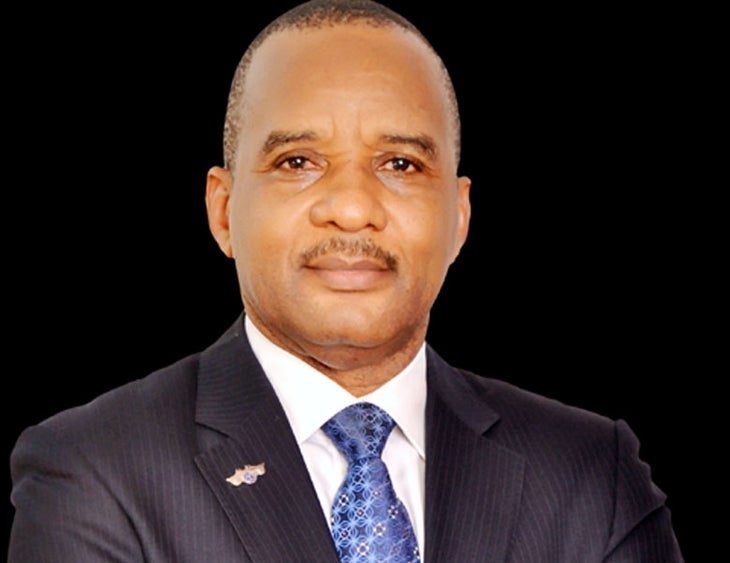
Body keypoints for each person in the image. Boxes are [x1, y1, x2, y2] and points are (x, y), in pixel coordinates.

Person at [7, 1, 683, 561]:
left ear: (459, 218)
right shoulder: (97, 471)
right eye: (298, 161)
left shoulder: (590, 474)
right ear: (222, 210)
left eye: (401, 164)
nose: (354, 207)